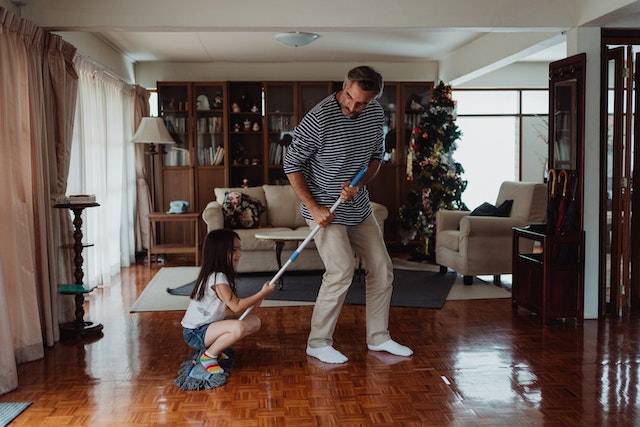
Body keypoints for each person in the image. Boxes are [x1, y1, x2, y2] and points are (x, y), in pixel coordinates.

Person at [283, 65, 413, 364]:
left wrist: (361, 183)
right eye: (350, 98)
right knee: (341, 269)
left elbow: (376, 158)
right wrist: (315, 208)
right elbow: (291, 165)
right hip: (323, 208)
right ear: (344, 86)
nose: (353, 107)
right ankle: (318, 342)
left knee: (382, 267)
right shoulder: (318, 118)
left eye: (362, 103)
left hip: (357, 204)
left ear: (374, 99)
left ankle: (379, 337)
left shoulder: (376, 115)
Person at [181, 229, 276, 378]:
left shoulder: (219, 275)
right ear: (219, 252)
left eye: (239, 249)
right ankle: (209, 355)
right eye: (233, 250)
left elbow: (232, 311)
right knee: (238, 327)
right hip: (195, 333)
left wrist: (259, 299)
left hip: (207, 327)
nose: (238, 254)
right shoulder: (217, 277)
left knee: (254, 322)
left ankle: (214, 350)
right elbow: (236, 306)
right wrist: (261, 293)